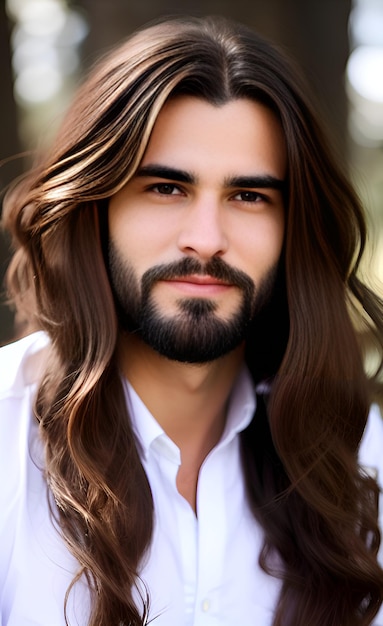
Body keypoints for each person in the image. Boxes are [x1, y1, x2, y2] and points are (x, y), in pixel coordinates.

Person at [1, 14, 383, 626]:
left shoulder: (357, 454)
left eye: (249, 197)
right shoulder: (7, 436)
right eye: (166, 189)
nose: (206, 240)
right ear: (95, 208)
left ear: (293, 230)